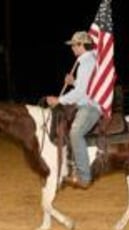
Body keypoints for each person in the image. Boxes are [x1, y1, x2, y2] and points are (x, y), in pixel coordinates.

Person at [46, 31, 102, 189]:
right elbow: (85, 86)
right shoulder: (88, 60)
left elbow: (81, 93)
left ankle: (84, 176)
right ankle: (68, 166)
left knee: (75, 132)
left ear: (81, 45)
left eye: (74, 45)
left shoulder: (86, 62)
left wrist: (59, 100)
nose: (72, 48)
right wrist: (74, 81)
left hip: (89, 106)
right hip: (85, 103)